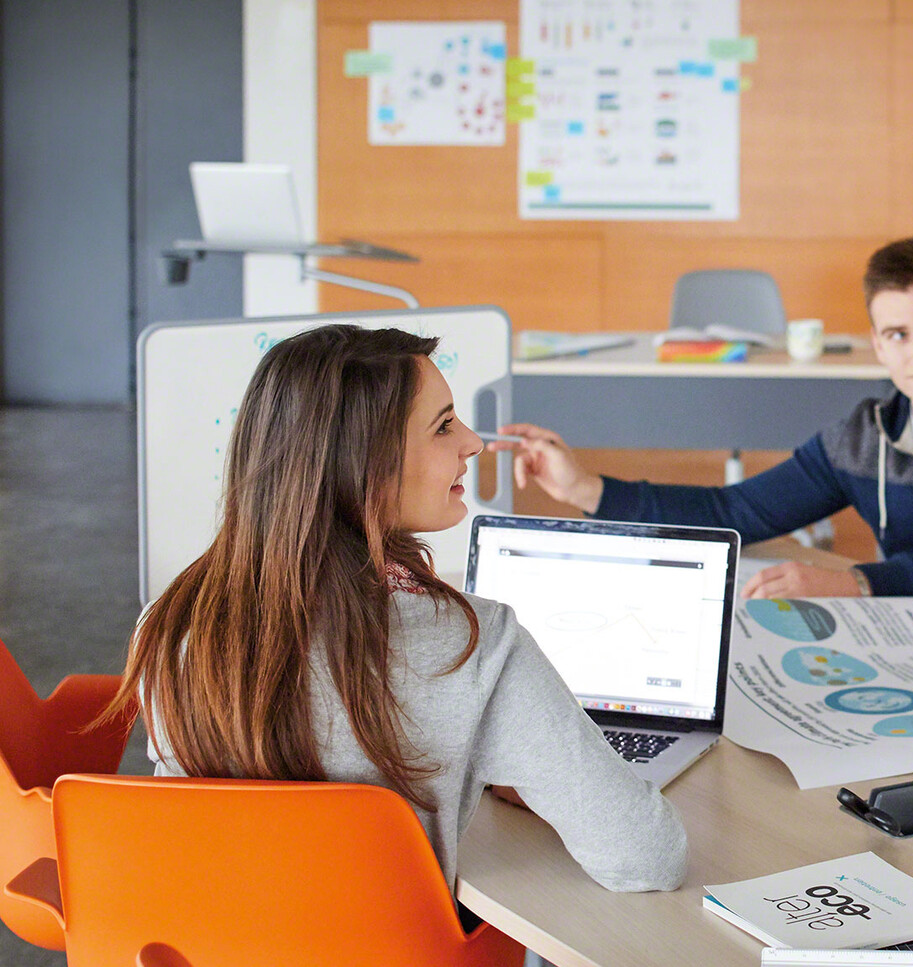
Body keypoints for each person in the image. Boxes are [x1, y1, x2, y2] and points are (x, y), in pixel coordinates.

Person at [105, 325, 687, 895]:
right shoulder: (474, 643)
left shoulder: (172, 623)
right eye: (443, 427)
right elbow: (646, 859)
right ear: (364, 465)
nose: (473, 442)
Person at [495, 237, 913, 634]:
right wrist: (585, 487)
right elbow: (732, 510)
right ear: (879, 344)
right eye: (900, 334)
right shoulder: (865, 437)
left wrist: (852, 583)